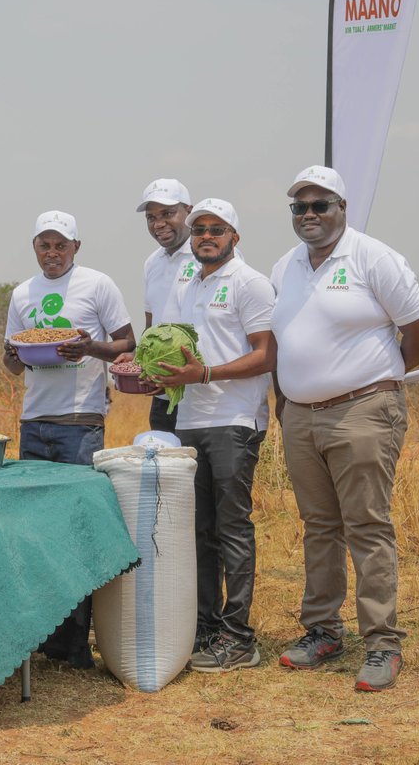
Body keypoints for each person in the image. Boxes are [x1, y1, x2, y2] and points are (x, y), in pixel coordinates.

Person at [271, 166, 419, 692]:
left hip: (363, 410)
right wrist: (286, 402)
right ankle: (322, 631)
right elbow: (283, 341)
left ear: (343, 207)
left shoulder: (373, 257)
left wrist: (380, 376)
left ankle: (383, 643)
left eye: (321, 205)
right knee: (319, 525)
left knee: (366, 524)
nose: (310, 215)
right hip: (300, 416)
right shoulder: (286, 266)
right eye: (300, 207)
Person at [3, 210, 135, 669]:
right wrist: (11, 355)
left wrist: (89, 348)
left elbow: (127, 343)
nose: (52, 253)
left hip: (80, 421)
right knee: (38, 530)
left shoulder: (97, 285)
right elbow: (16, 364)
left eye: (61, 245)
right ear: (34, 248)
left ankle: (77, 645)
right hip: (34, 420)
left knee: (76, 527)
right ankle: (48, 640)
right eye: (44, 245)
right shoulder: (23, 293)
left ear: (76, 247)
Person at [154, 199, 276, 672]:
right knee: (198, 531)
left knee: (231, 528)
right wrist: (147, 368)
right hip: (189, 420)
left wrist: (204, 374)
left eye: (217, 229)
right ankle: (205, 628)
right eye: (199, 228)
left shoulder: (250, 283)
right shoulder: (188, 281)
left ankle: (240, 637)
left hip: (233, 420)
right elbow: (175, 346)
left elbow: (265, 355)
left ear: (234, 237)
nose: (206, 236)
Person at [136, 178, 195, 433]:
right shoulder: (152, 263)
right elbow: (151, 327)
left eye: (168, 213)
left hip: (201, 397)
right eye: (151, 217)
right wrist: (140, 359)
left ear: (189, 211)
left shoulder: (209, 255)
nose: (158, 224)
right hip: (163, 397)